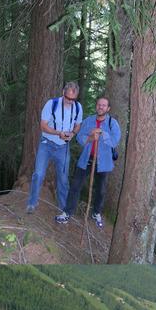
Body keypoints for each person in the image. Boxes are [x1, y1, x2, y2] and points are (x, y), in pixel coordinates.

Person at [55, 96, 121, 229]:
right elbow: (79, 138)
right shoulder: (88, 121)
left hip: (103, 163)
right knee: (75, 186)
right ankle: (67, 212)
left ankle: (96, 213)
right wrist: (91, 137)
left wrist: (102, 133)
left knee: (100, 190)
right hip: (86, 160)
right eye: (98, 104)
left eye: (103, 105)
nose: (100, 107)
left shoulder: (112, 123)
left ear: (108, 108)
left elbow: (115, 141)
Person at [26, 81, 83, 214]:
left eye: (73, 99)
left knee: (63, 179)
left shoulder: (78, 107)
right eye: (68, 98)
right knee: (39, 174)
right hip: (47, 144)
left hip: (63, 147)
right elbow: (43, 126)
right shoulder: (52, 104)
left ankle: (64, 208)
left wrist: (72, 134)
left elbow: (78, 124)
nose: (70, 101)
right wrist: (59, 133)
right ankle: (32, 203)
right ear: (63, 92)